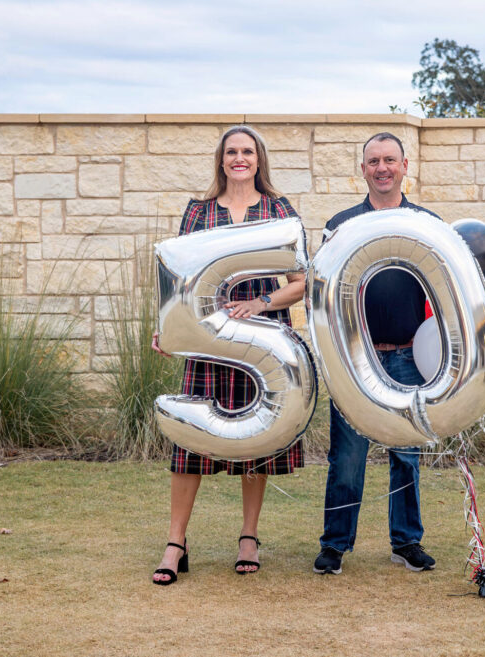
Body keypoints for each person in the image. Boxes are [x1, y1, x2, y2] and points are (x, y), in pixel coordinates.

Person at [150, 126, 306, 585]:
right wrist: (165, 329)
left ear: (259, 160)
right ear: (221, 160)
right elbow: (175, 279)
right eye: (232, 151)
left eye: (248, 152)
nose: (240, 158)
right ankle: (176, 542)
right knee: (191, 440)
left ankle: (249, 537)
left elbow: (300, 282)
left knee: (257, 435)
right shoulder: (197, 212)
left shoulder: (279, 210)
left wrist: (261, 304)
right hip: (208, 339)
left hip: (262, 339)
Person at [314, 132, 440, 576]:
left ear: (405, 165)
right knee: (346, 457)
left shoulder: (427, 223)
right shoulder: (342, 223)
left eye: (390, 159)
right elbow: (321, 291)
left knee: (407, 454)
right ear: (362, 169)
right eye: (373, 161)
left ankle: (406, 543)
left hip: (410, 357)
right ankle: (335, 545)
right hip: (355, 359)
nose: (382, 167)